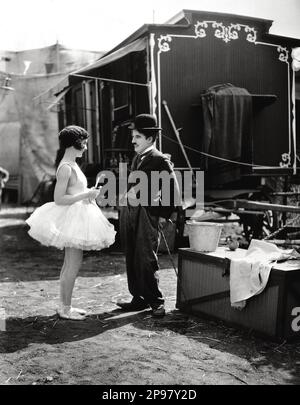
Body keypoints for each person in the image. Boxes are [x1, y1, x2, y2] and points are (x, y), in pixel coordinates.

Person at [26, 125, 116, 320]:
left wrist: (89, 195)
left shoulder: (73, 165)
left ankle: (65, 305)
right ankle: (65, 309)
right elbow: (59, 199)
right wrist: (86, 194)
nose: (85, 147)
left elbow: (73, 193)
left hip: (78, 215)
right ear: (74, 144)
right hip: (73, 218)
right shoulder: (66, 168)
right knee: (72, 264)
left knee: (70, 263)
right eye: (83, 143)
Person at [117, 114, 180, 317]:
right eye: (133, 136)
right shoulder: (138, 157)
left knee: (145, 256)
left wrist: (163, 214)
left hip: (147, 213)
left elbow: (172, 188)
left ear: (151, 139)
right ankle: (139, 298)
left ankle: (156, 301)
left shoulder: (160, 159)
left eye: (138, 137)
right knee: (132, 254)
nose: (133, 140)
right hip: (131, 211)